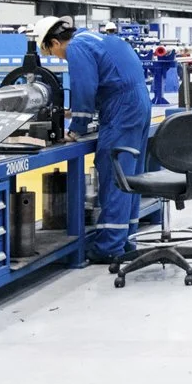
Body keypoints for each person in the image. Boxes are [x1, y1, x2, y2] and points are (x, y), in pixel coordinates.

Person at [32, 16, 151, 265]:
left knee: (114, 175)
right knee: (129, 176)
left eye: (54, 53)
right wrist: (80, 111)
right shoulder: (98, 38)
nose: (60, 58)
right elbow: (110, 80)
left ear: (55, 42)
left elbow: (84, 87)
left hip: (123, 110)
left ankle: (109, 246)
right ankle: (124, 238)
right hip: (138, 104)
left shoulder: (76, 47)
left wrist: (75, 128)